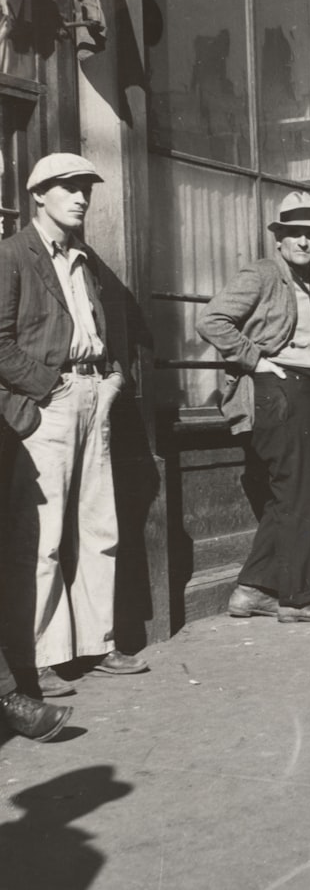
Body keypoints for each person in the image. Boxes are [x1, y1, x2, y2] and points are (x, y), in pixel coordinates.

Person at [0, 153, 148, 699]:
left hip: (94, 398)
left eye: (86, 187)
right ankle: (38, 657)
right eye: (68, 187)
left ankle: (96, 641)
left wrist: (111, 381)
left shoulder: (86, 259)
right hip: (47, 402)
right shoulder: (12, 255)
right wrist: (49, 388)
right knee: (39, 539)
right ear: (39, 194)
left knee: (99, 527)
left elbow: (103, 332)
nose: (81, 197)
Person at [196, 191, 310, 623]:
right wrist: (257, 360)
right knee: (300, 494)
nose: (305, 242)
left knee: (287, 495)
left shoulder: (308, 281)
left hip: (306, 393)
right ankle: (298, 599)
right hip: (277, 391)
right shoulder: (264, 273)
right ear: (279, 238)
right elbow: (211, 320)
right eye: (296, 234)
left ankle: (251, 592)